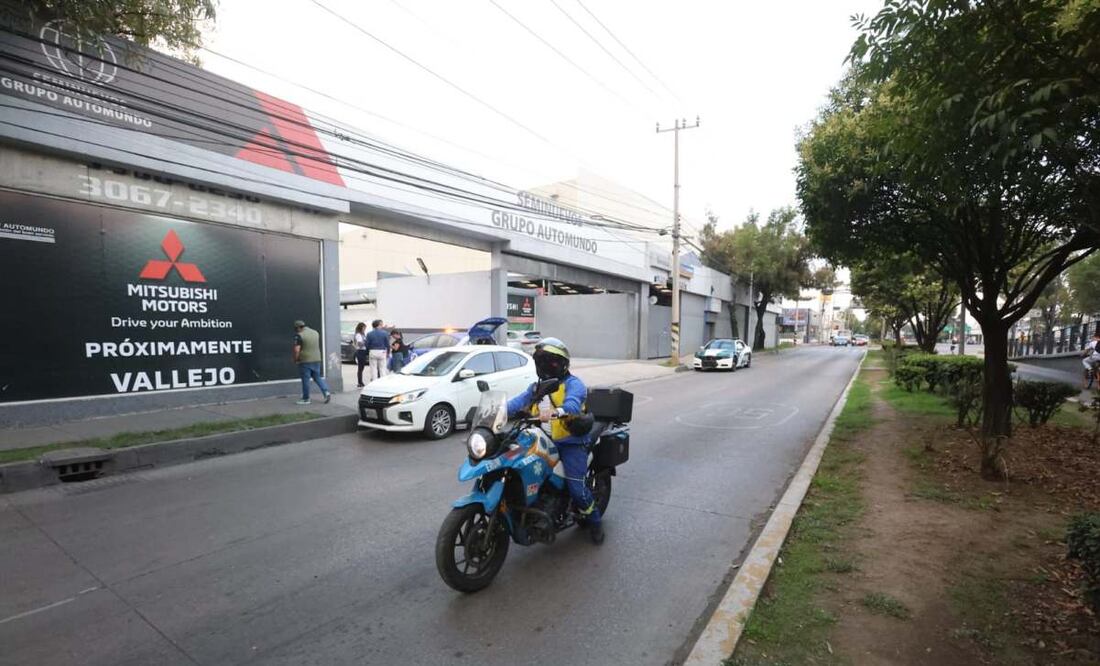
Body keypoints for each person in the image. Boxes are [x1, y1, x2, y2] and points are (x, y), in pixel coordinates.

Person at [506, 338, 604, 545]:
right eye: (541, 361)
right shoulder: (536, 388)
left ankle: (595, 521)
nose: (545, 366)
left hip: (571, 442)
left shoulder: (573, 383)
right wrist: (494, 412)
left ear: (562, 363)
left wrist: (558, 411)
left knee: (576, 488)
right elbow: (516, 403)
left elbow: (573, 404)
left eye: (550, 361)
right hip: (541, 439)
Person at [293, 319, 330, 405]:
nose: (296, 330)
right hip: (317, 359)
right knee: (317, 377)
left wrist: (296, 359)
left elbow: (296, 350)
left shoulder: (299, 335)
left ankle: (306, 399)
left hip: (305, 360)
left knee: (305, 380)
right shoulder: (315, 332)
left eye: (296, 329)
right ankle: (326, 392)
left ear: (298, 328)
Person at [354, 322, 369, 388]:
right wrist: (366, 342)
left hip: (363, 351)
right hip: (360, 351)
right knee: (360, 368)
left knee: (362, 367)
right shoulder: (358, 335)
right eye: (364, 328)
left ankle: (360, 382)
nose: (365, 329)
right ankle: (360, 382)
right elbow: (360, 344)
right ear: (361, 328)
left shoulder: (363, 334)